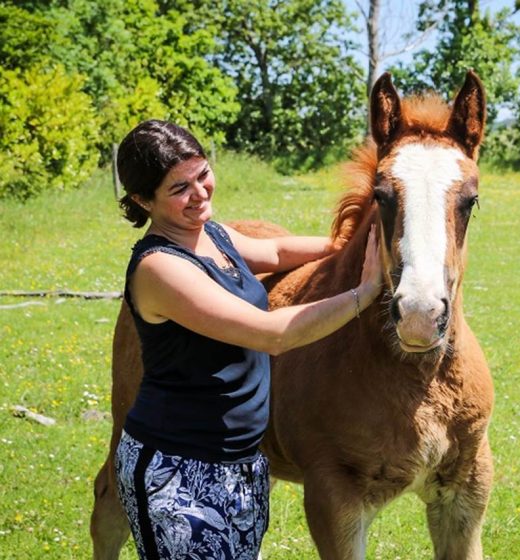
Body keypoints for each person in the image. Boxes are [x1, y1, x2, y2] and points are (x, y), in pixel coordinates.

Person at [112, 119, 382, 559]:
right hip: (178, 471)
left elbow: (275, 252)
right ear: (143, 200)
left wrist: (353, 246)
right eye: (179, 188)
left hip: (241, 465)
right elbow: (273, 334)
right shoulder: (160, 268)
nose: (200, 193)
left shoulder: (212, 235)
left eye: (203, 174)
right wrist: (363, 293)